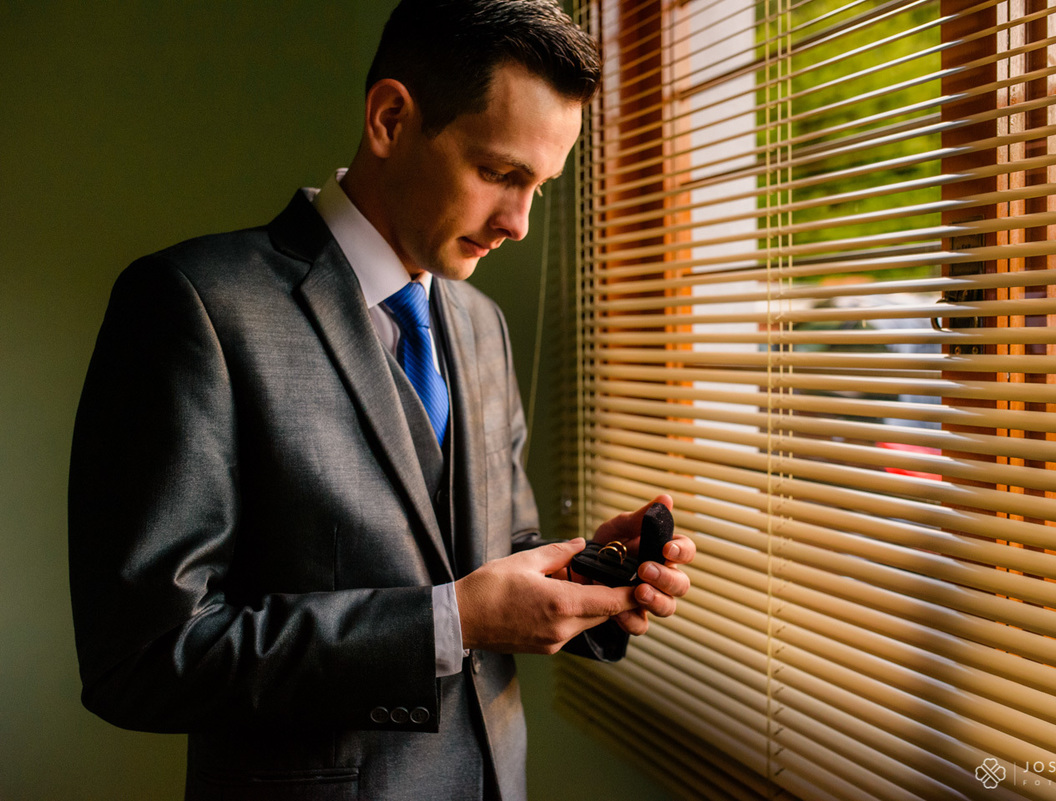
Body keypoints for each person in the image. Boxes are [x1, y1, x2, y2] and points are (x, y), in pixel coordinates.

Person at [67, 2, 694, 799]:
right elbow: (144, 659)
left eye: (539, 186)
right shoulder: (192, 307)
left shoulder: (485, 325)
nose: (519, 223)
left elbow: (496, 552)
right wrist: (452, 620)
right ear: (391, 119)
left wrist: (590, 573)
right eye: (500, 174)